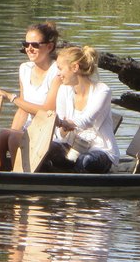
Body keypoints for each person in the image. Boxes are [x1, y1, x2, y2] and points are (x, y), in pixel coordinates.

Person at [0, 22, 62, 171]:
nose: (29, 49)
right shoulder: (24, 69)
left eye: (34, 45)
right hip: (28, 131)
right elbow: (22, 110)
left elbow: (47, 112)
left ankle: (21, 176)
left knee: (15, 137)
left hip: (51, 134)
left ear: (49, 47)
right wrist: (12, 131)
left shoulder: (57, 72)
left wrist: (11, 97)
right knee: (3, 136)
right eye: (26, 44)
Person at [44, 45, 120, 173]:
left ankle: (72, 187)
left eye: (60, 69)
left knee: (85, 161)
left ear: (75, 67)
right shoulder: (63, 90)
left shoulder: (102, 90)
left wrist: (63, 123)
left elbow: (87, 121)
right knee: (46, 148)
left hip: (99, 150)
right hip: (71, 147)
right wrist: (58, 124)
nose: (58, 74)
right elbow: (62, 134)